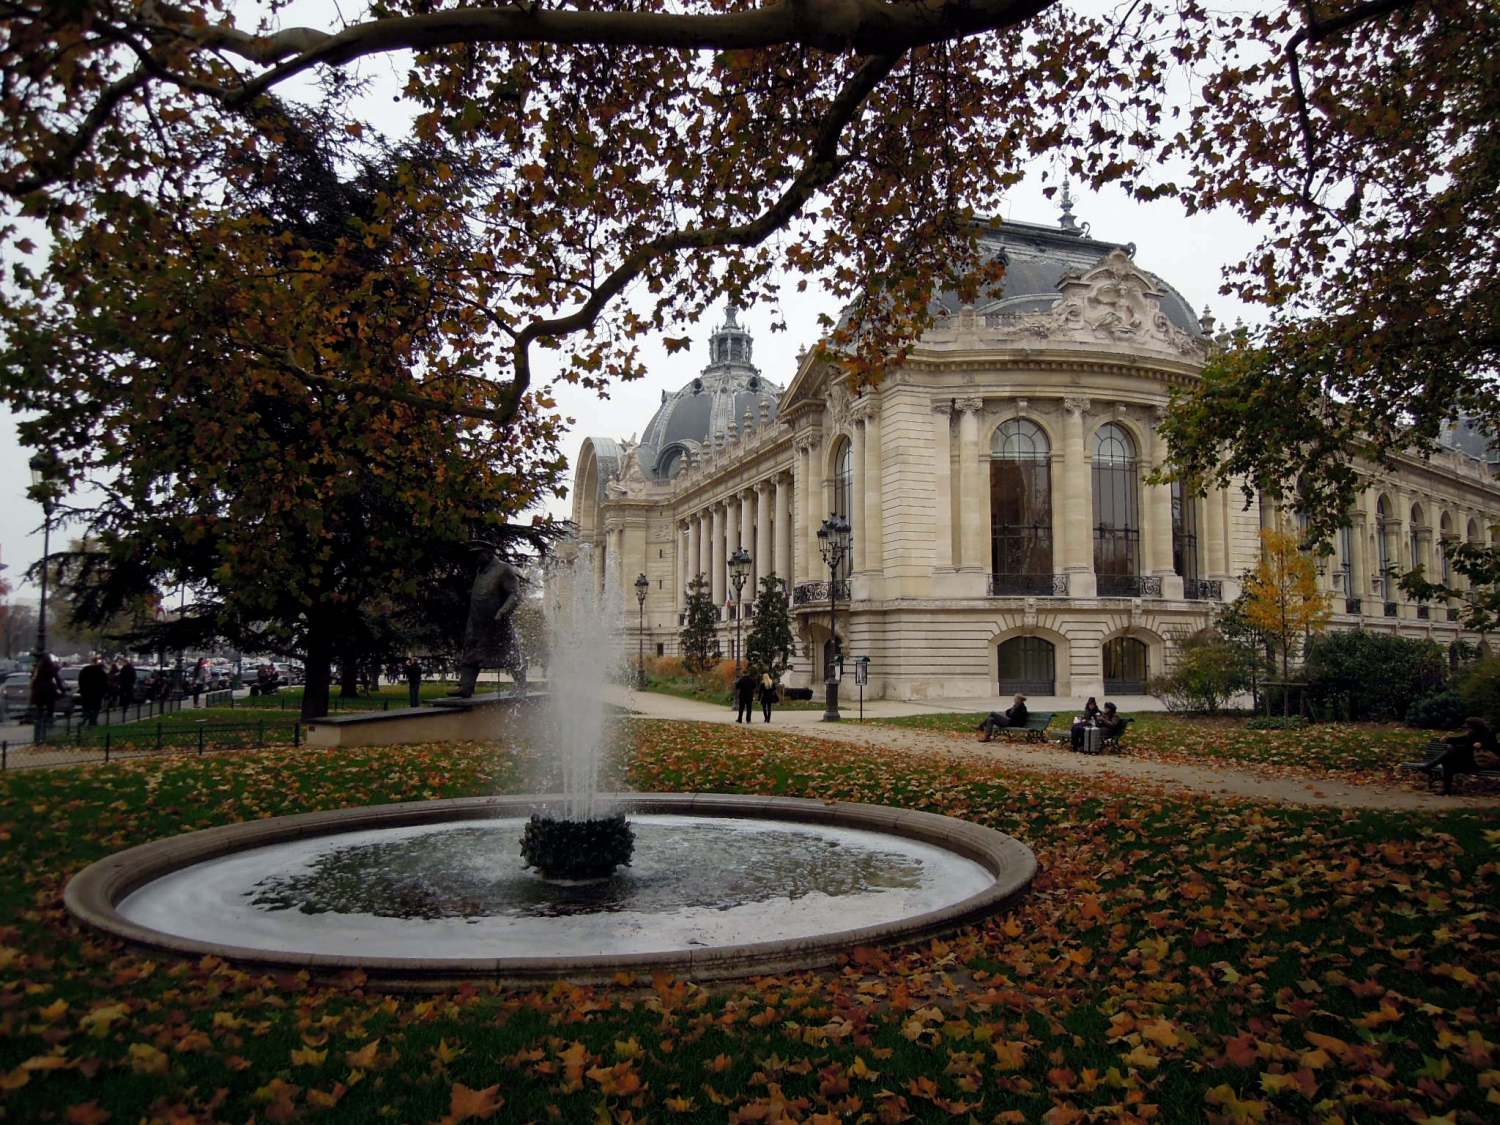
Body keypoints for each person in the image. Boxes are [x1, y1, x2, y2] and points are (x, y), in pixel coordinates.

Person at [1411, 717, 1499, 795]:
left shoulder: (1488, 734)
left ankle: (1428, 767)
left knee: (1452, 750)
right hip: (1467, 760)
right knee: (1447, 761)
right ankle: (1446, 789)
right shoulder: (1471, 734)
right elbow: (1461, 740)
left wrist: (1482, 744)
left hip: (1479, 763)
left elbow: (1494, 746)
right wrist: (1447, 739)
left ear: (1475, 727)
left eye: (1468, 727)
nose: (1467, 729)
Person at [30, 655, 64, 728]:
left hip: (38, 690)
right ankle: (49, 724)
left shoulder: (37, 669)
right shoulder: (52, 669)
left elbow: (33, 679)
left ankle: (39, 726)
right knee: (50, 709)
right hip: (49, 689)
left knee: (39, 709)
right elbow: (58, 680)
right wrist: (62, 690)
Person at [77, 656, 108, 729]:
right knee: (96, 707)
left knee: (86, 706)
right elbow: (105, 683)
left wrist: (82, 690)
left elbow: (80, 681)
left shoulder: (85, 669)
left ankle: (86, 717)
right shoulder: (101, 672)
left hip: (86, 693)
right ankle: (92, 721)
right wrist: (103, 692)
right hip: (97, 693)